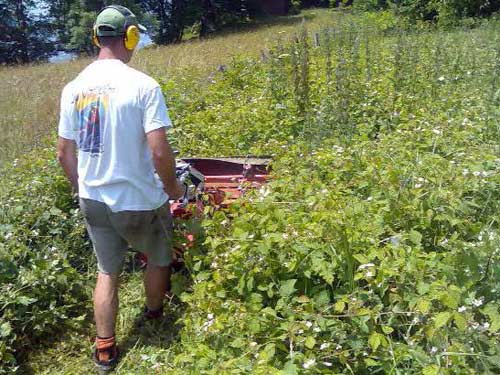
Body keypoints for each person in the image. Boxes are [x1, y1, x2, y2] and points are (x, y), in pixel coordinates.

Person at [56, 5, 185, 372]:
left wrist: (81, 188)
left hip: (94, 198)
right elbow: (160, 151)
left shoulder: (73, 88)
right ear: (130, 36)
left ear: (97, 38)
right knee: (159, 256)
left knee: (106, 270)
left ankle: (105, 348)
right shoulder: (143, 85)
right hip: (139, 199)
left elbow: (64, 151)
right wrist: (173, 188)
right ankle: (154, 313)